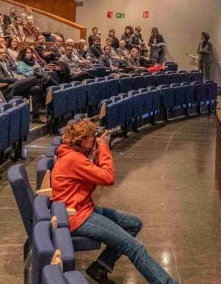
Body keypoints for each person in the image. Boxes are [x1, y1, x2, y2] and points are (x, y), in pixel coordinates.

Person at [52, 119, 176, 284]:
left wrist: (97, 155)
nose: (95, 138)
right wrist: (104, 147)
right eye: (91, 136)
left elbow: (91, 179)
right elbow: (108, 178)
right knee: (135, 248)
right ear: (81, 140)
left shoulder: (73, 155)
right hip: (77, 216)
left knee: (133, 224)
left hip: (83, 208)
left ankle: (101, 266)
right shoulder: (73, 159)